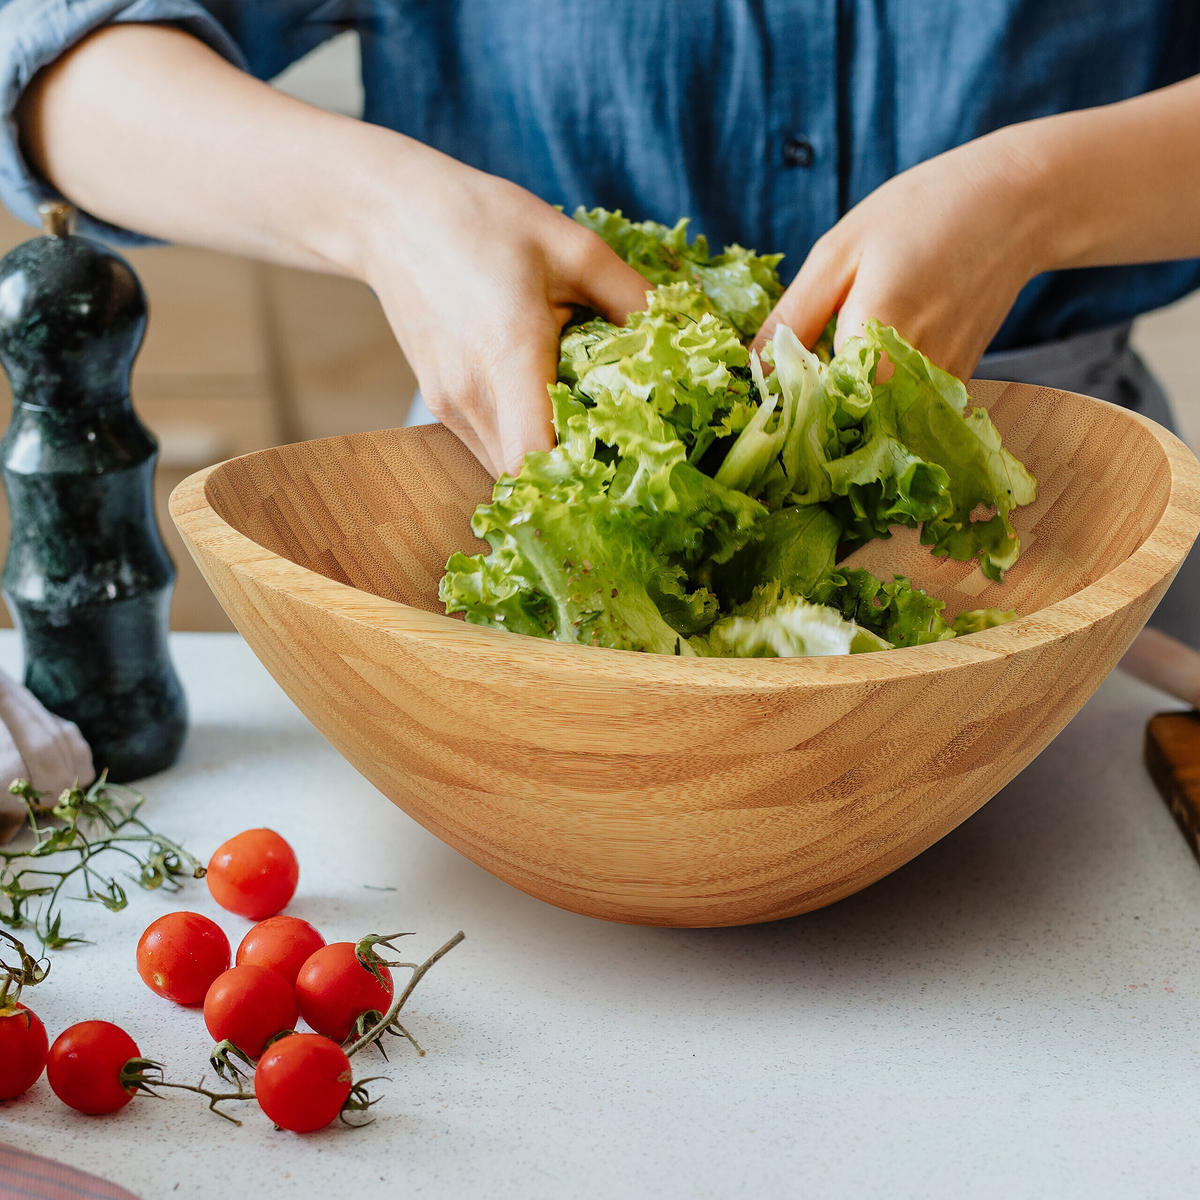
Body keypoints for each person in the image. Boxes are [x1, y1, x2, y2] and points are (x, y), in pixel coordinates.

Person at [2, 2, 1200, 638]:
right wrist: (389, 211)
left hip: (1054, 511)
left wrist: (1033, 199)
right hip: (536, 502)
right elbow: (53, 55)